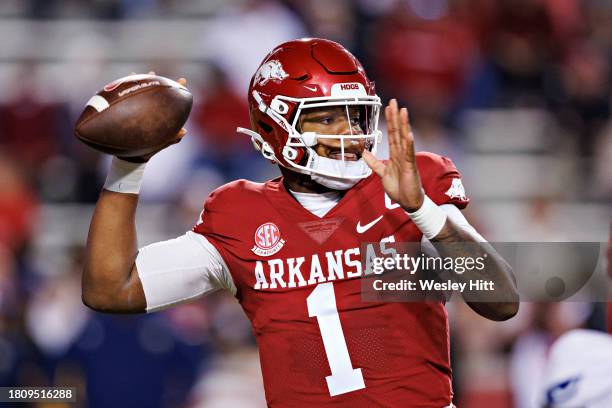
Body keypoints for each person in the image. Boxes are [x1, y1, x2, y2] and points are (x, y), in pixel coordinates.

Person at [82, 38, 518, 407]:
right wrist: (129, 164)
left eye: (353, 115)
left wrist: (422, 209)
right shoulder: (239, 214)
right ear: (274, 126)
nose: (347, 132)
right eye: (326, 118)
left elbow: (501, 303)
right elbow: (110, 288)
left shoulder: (413, 185)